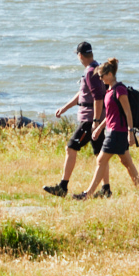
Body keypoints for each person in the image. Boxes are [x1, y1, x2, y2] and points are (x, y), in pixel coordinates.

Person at [75, 57, 139, 199]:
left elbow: (128, 112)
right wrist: (99, 128)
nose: (101, 79)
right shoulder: (109, 91)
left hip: (118, 133)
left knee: (101, 160)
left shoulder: (120, 90)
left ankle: (88, 194)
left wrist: (131, 132)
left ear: (110, 74)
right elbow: (110, 115)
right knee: (126, 162)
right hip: (112, 131)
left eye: (102, 76)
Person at [44, 41, 103, 196]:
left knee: (71, 147)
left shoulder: (91, 72)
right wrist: (65, 108)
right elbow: (82, 94)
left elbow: (98, 98)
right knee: (100, 154)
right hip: (93, 119)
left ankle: (62, 187)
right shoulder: (95, 69)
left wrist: (96, 123)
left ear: (80, 55)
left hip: (90, 120)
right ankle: (106, 189)